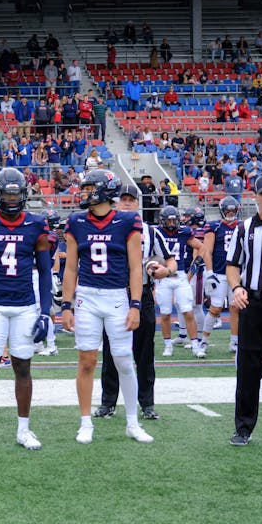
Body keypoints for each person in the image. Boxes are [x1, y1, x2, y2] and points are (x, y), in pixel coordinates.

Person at [61, 170, 154, 444]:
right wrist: (66, 305)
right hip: (86, 297)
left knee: (124, 361)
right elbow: (70, 268)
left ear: (103, 190)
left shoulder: (127, 220)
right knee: (86, 361)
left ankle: (132, 423)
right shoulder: (76, 222)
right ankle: (85, 422)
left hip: (116, 297)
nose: (84, 192)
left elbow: (136, 267)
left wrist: (135, 304)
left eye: (89, 188)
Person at [0, 168, 53, 451]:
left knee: (23, 367)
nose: (12, 199)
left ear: (24, 195)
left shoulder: (37, 225)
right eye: (7, 193)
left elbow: (46, 271)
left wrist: (45, 312)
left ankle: (23, 430)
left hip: (26, 306)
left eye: (16, 193)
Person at [94, 186, 175, 420]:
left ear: (138, 204)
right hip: (115, 294)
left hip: (144, 294)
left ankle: (147, 403)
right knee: (111, 352)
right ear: (116, 203)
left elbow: (170, 259)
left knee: (144, 352)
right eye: (124, 200)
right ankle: (108, 402)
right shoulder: (108, 229)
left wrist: (165, 271)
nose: (127, 204)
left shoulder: (150, 231)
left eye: (132, 200)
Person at [226, 175, 262, 446]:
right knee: (248, 370)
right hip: (252, 304)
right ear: (255, 197)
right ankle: (244, 428)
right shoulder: (244, 228)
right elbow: (233, 264)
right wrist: (237, 288)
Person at [155, 206, 206, 358]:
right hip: (163, 278)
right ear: (162, 221)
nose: (171, 223)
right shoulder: (156, 232)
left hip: (181, 276)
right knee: (165, 314)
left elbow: (201, 247)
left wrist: (194, 266)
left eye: (173, 220)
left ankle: (195, 345)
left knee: (187, 311)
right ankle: (168, 345)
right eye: (168, 220)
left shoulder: (184, 232)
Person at [201, 196, 240, 354]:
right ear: (222, 211)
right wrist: (210, 273)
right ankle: (203, 340)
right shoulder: (214, 227)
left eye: (233, 211)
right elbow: (207, 251)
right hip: (219, 272)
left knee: (235, 308)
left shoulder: (242, 226)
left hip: (237, 273)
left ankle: (234, 342)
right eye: (227, 211)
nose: (230, 214)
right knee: (215, 308)